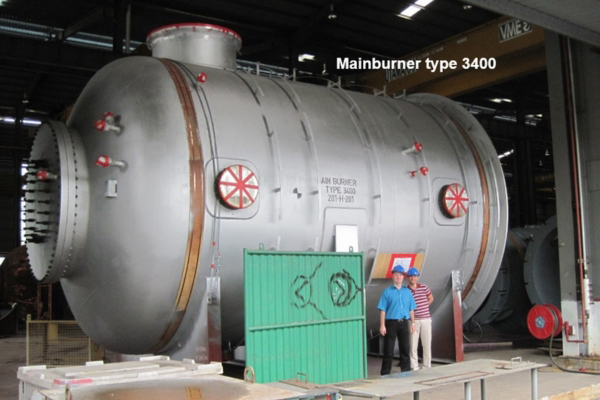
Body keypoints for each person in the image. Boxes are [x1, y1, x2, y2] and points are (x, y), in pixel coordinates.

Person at [377, 265, 416, 375]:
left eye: (400, 275)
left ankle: (406, 372)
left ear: (403, 277)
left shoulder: (407, 292)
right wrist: (382, 325)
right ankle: (385, 373)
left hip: (404, 322)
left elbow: (411, 309)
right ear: (393, 276)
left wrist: (413, 323)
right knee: (388, 350)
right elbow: (383, 310)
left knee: (405, 349)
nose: (398, 277)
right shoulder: (387, 292)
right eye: (396, 275)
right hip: (391, 323)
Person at [406, 267, 434, 370]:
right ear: (408, 277)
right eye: (411, 276)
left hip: (425, 319)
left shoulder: (424, 287)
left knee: (426, 344)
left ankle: (427, 366)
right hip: (413, 320)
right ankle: (414, 366)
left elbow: (431, 298)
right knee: (413, 344)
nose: (413, 278)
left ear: (417, 277)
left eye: (414, 276)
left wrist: (425, 306)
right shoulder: (406, 290)